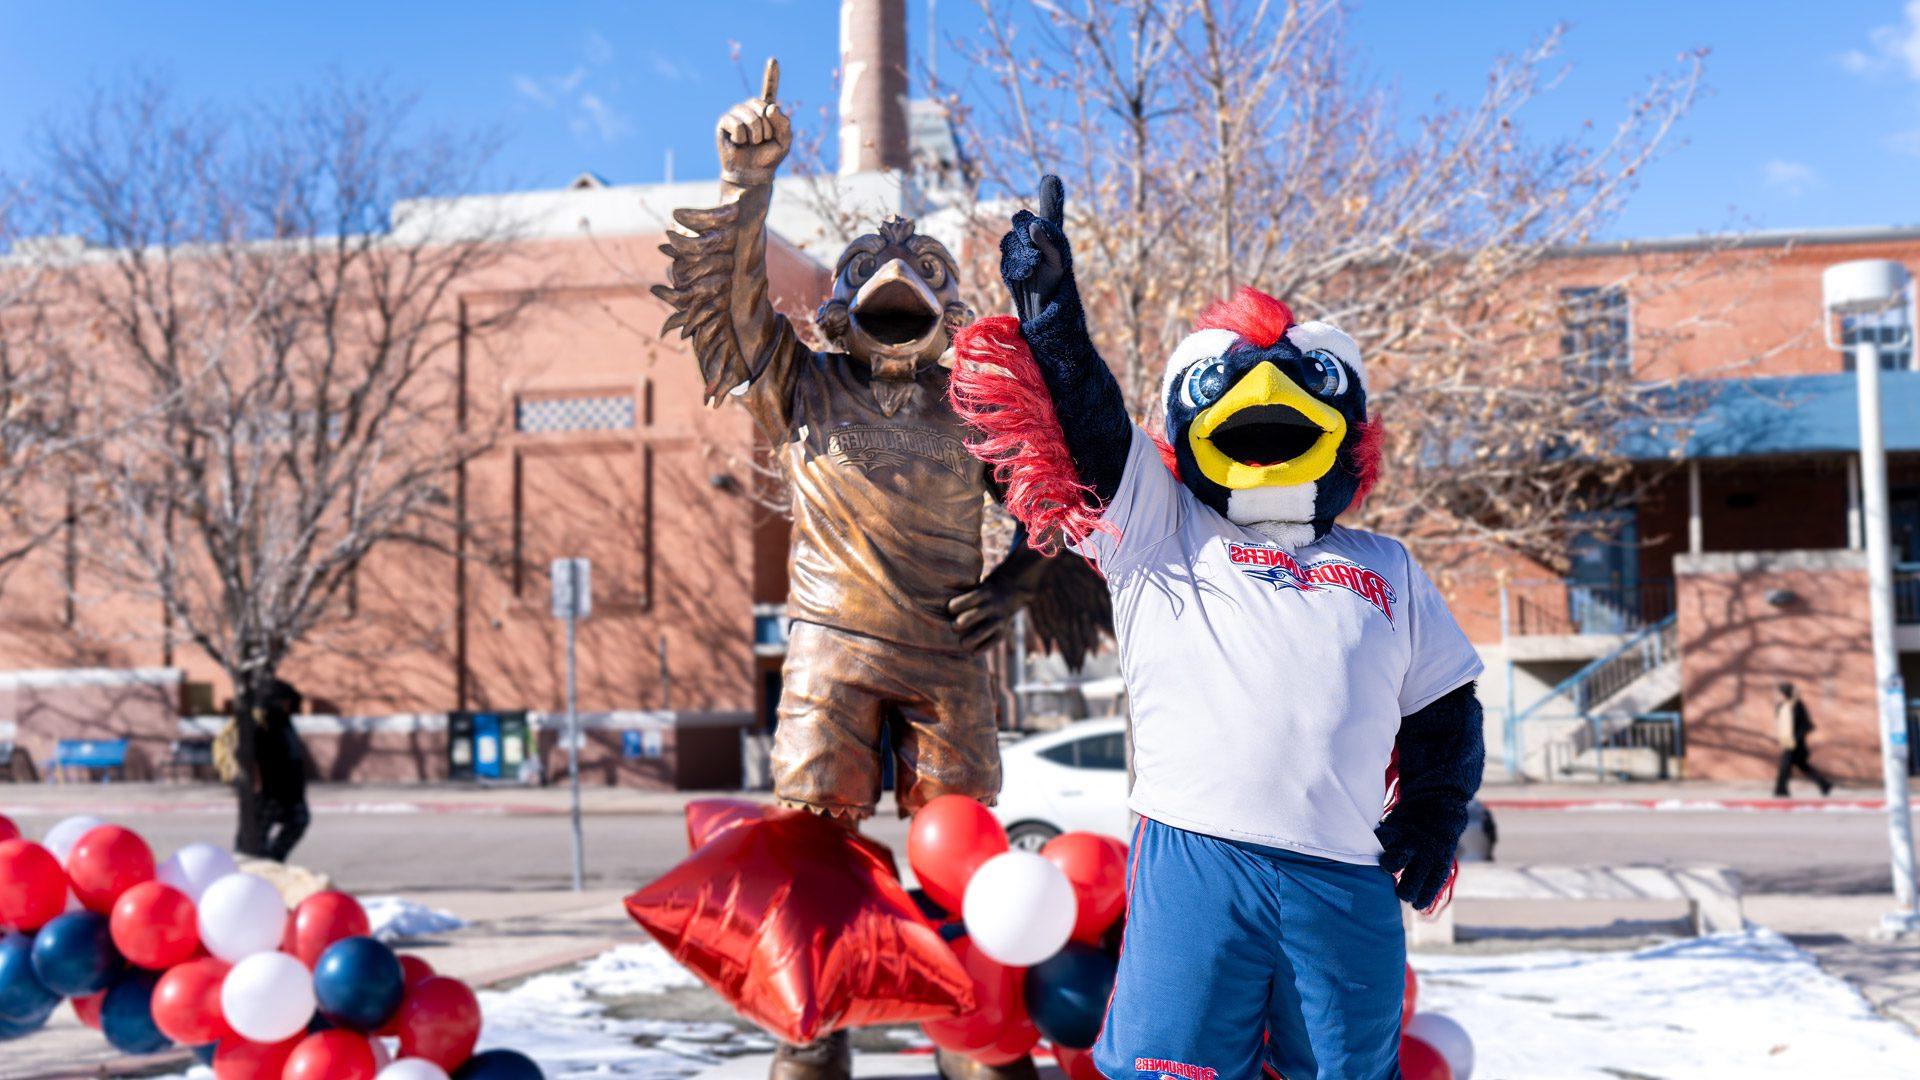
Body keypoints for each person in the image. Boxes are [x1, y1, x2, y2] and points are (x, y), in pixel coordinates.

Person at [233, 676, 312, 861]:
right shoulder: (263, 722)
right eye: (287, 701)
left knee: (298, 821)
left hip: (289, 793)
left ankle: (272, 860)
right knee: (253, 838)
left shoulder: (284, 722)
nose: (291, 705)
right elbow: (248, 756)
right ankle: (253, 865)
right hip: (269, 793)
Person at [1773, 681, 1833, 798]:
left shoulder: (1798, 705)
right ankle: (1825, 785)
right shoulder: (1782, 706)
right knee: (1802, 766)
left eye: (1782, 692)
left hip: (1797, 743)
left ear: (1787, 693)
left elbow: (1807, 725)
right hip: (1787, 742)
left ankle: (1781, 790)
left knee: (1785, 766)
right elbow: (1780, 721)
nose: (1781, 695)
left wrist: (1797, 738)